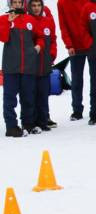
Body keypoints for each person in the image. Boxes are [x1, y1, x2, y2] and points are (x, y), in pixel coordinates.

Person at [0, 0, 42, 137]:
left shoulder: (30, 19)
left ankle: (28, 124)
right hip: (11, 67)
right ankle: (11, 127)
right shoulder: (3, 19)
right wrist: (9, 22)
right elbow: (3, 38)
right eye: (14, 2)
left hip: (28, 66)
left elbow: (40, 36)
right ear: (10, 4)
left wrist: (38, 47)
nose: (17, 5)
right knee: (10, 99)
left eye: (19, 2)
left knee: (28, 97)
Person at [58, 0, 90, 120]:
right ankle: (77, 109)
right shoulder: (62, 3)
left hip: (91, 45)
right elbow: (63, 26)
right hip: (75, 47)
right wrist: (69, 44)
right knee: (76, 79)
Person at [28, 0, 56, 132]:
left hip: (45, 63)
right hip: (31, 65)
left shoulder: (48, 21)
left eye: (38, 5)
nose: (36, 8)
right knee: (31, 94)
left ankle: (43, 120)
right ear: (29, 7)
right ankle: (32, 122)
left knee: (44, 93)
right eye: (33, 6)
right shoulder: (27, 21)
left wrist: (52, 54)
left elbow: (53, 40)